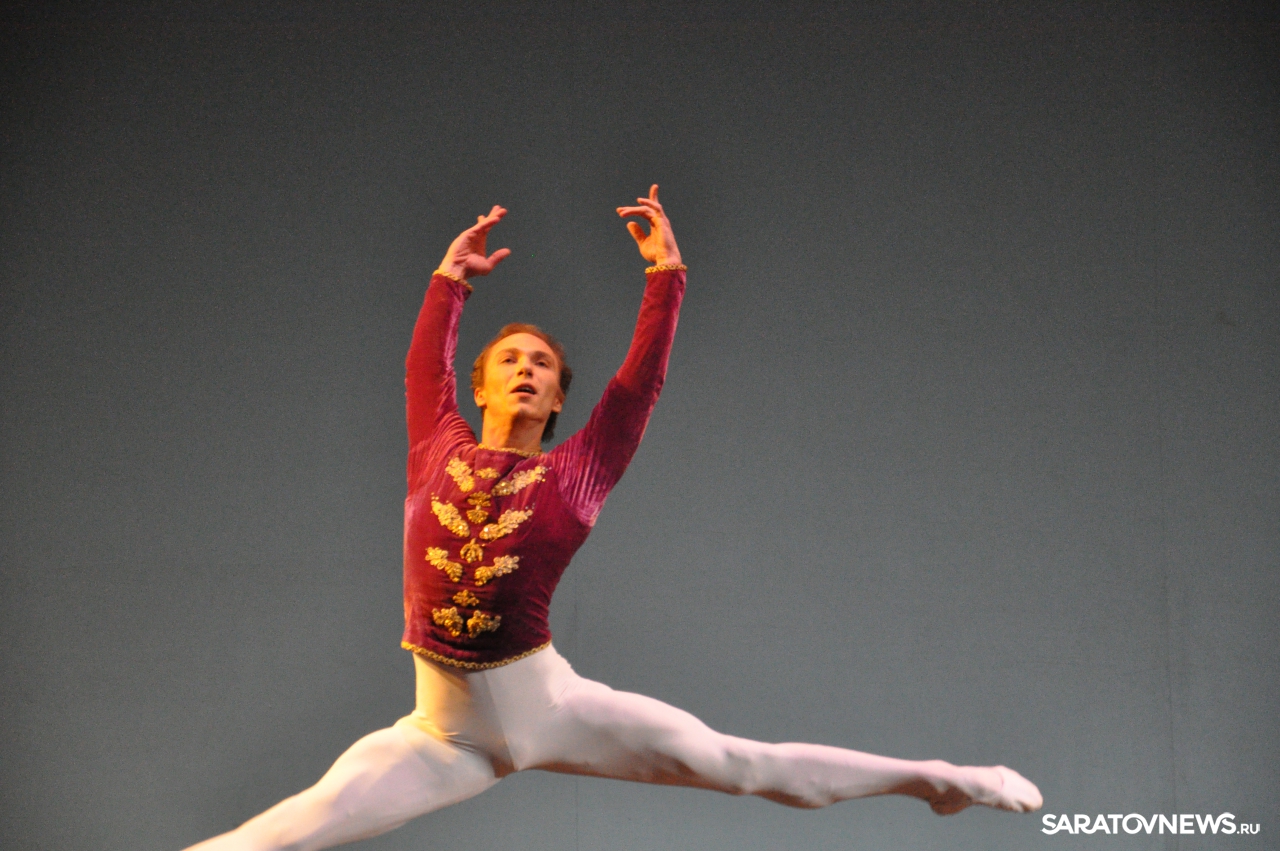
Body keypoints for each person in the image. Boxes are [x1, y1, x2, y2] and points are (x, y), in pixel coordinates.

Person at [182, 186, 1042, 851]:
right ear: (479, 386)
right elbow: (421, 371)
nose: (526, 370)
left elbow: (636, 391)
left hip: (554, 708)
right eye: (509, 360)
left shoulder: (575, 472)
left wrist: (666, 278)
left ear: (559, 398)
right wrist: (448, 282)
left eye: (542, 364)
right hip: (443, 736)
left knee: (745, 765)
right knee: (268, 838)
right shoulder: (434, 447)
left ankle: (941, 779)